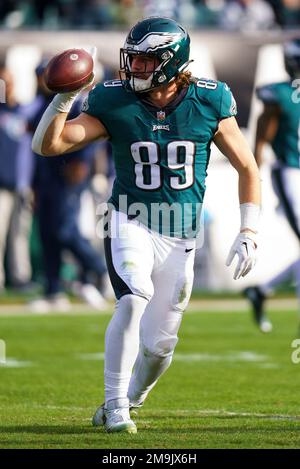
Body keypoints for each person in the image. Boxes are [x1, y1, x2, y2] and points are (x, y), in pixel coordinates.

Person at [32, 17, 261, 434]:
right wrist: (64, 99)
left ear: (171, 63)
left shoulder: (210, 100)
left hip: (180, 231)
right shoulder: (113, 99)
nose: (132, 68)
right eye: (131, 60)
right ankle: (115, 405)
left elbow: (247, 165)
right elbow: (50, 145)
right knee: (134, 295)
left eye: (143, 62)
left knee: (159, 347)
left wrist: (249, 229)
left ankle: (131, 398)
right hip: (128, 219)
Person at [29, 59, 109, 312]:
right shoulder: (41, 103)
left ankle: (99, 270)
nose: (42, 81)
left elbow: (84, 138)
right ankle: (53, 290)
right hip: (45, 178)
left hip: (67, 176)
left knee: (65, 230)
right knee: (47, 233)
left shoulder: (75, 103)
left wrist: (81, 166)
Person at [244, 38, 300, 334]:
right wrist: (254, 171)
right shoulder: (279, 94)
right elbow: (263, 136)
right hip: (290, 173)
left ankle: (262, 290)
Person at [0, 61, 34, 292]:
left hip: (22, 184)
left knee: (20, 234)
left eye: (9, 82)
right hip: (1, 184)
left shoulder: (24, 111)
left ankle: (21, 278)